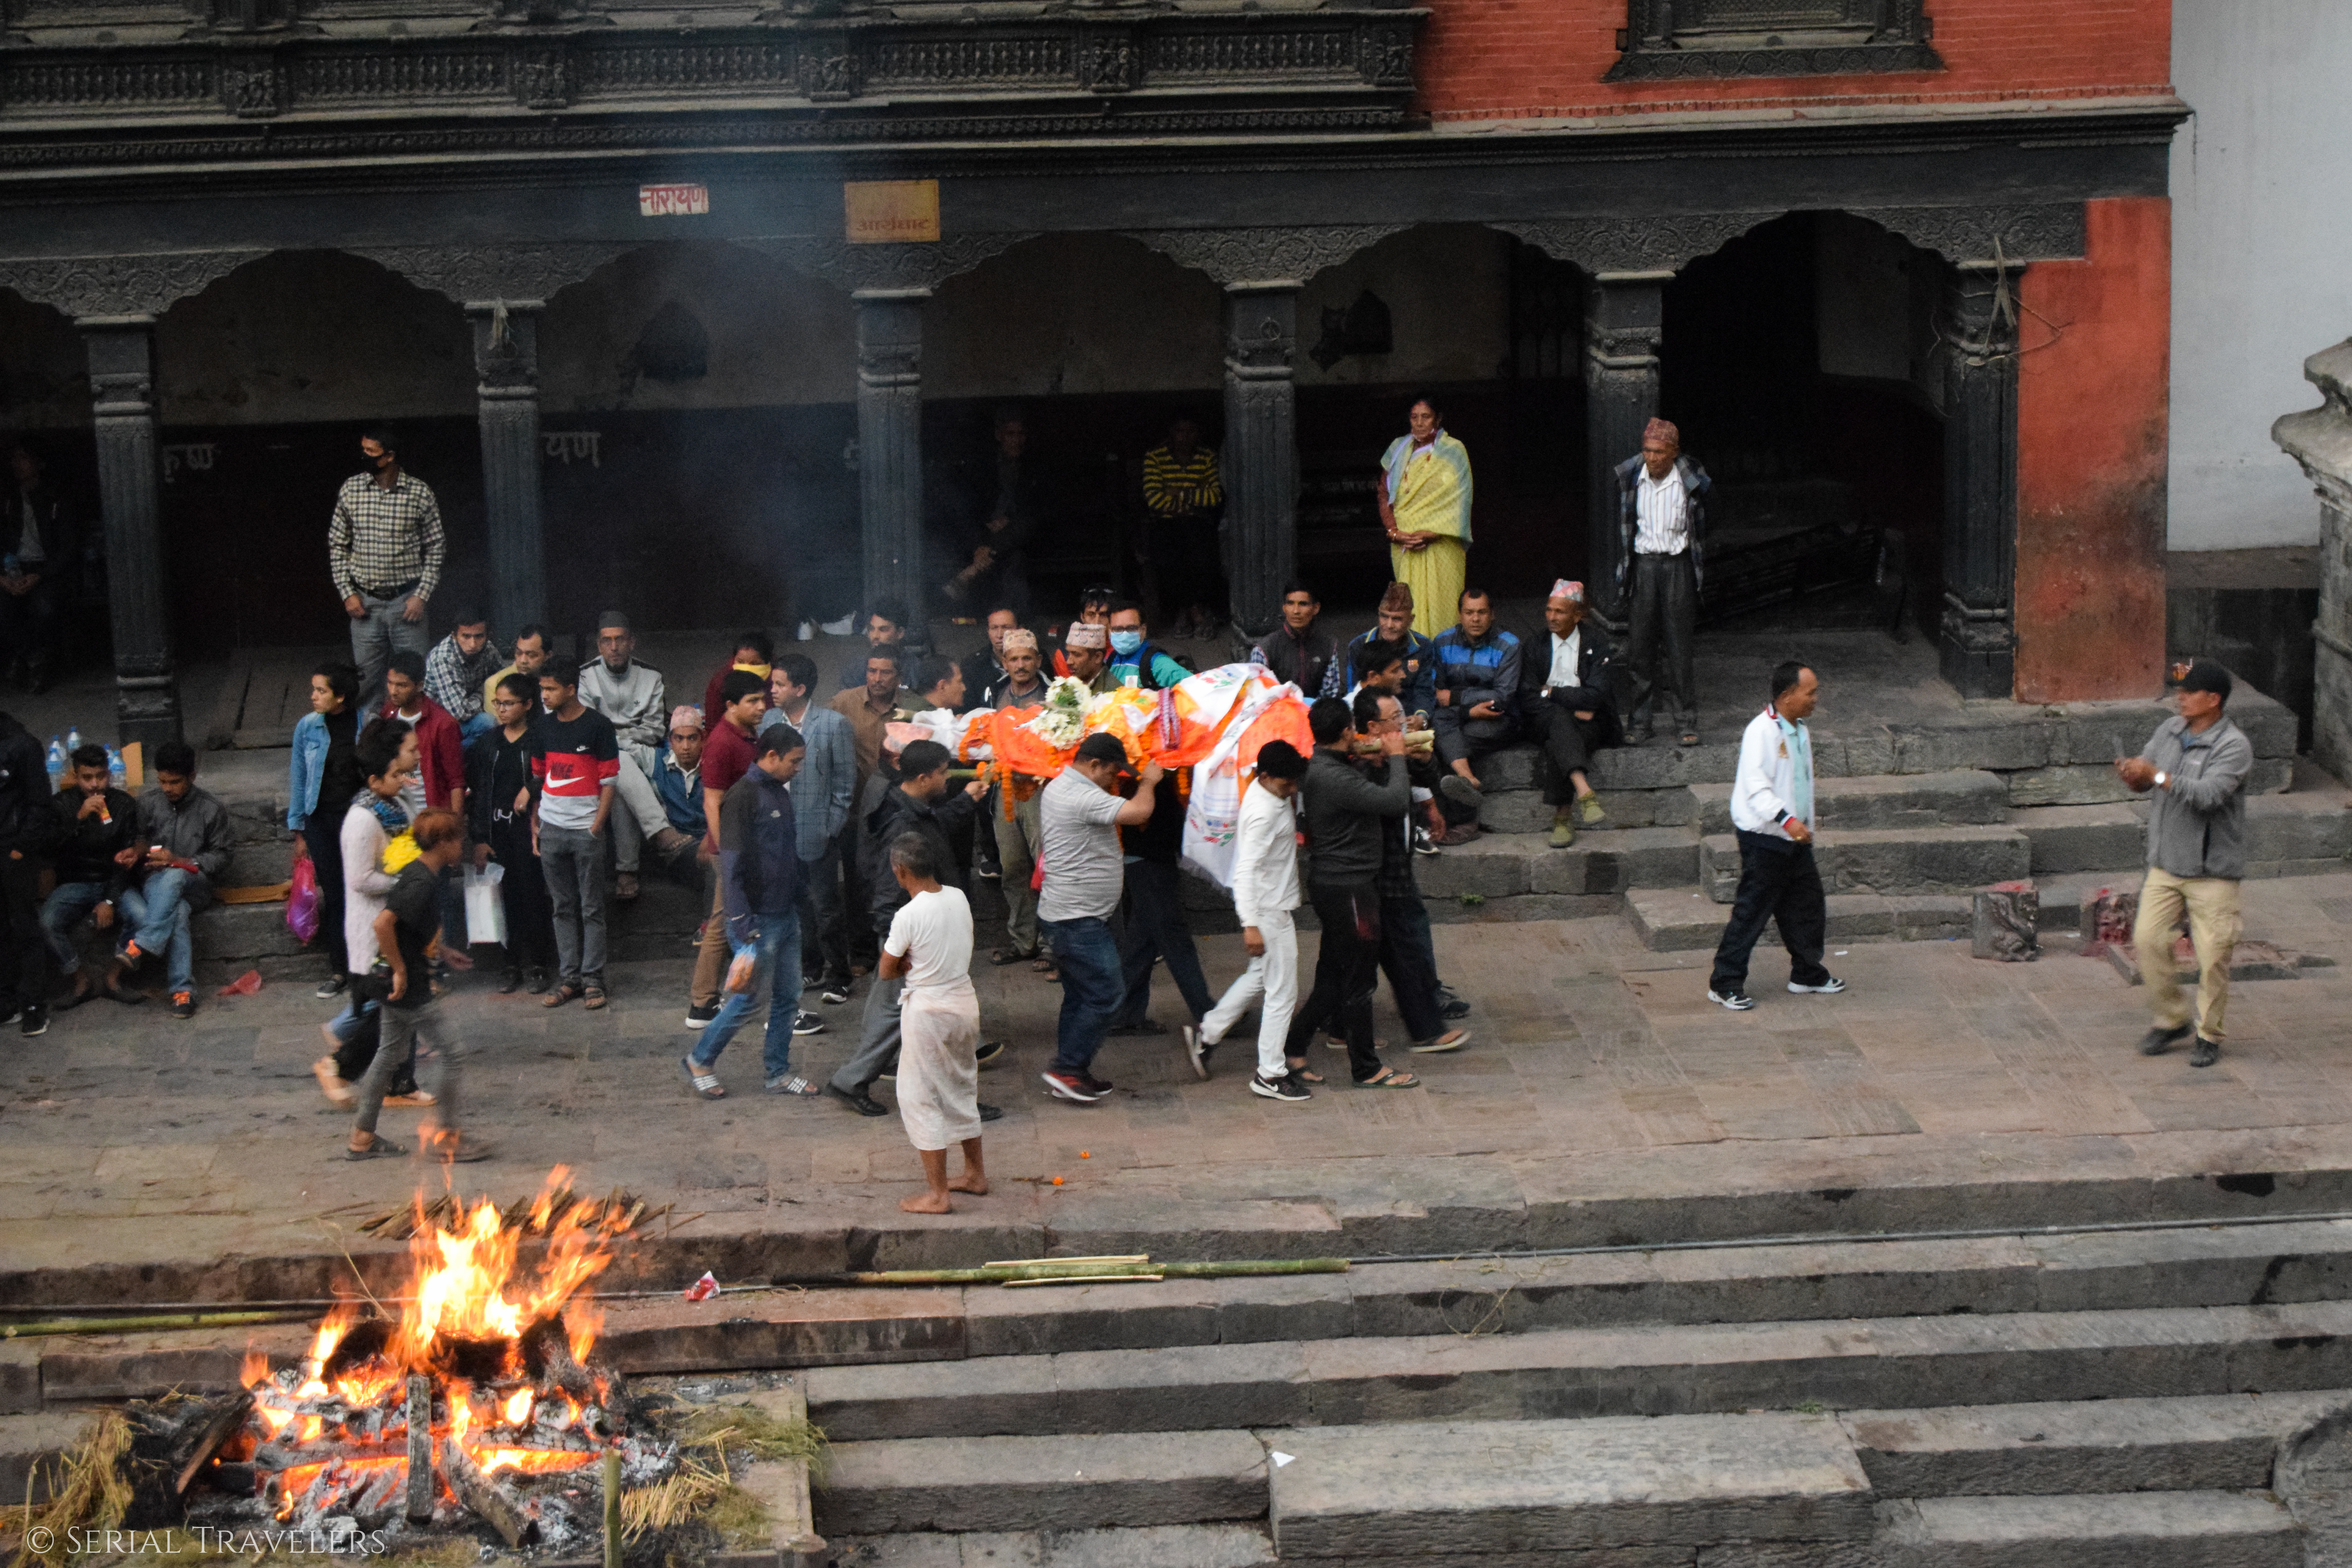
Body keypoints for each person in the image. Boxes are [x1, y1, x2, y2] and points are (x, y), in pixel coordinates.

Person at [827, 739, 988, 1117]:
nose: (947, 779)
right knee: (916, 1014)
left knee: (889, 1010)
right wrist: (896, 942)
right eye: (943, 773)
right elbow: (888, 886)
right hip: (912, 933)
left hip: (910, 931)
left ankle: (858, 1079)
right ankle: (853, 1080)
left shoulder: (911, 808)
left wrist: (967, 800)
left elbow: (937, 829)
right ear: (923, 777)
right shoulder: (900, 824)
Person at [2120, 659, 2254, 1069]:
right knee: (2147, 941)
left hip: (2212, 871)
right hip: (2166, 863)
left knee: (2213, 955)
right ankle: (2171, 1018)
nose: (2180, 697)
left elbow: (2209, 794)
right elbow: (2148, 775)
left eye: (2189, 691)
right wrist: (2135, 775)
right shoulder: (2170, 730)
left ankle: (2208, 1033)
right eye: (2179, 690)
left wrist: (2157, 776)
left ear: (2213, 700)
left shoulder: (2234, 746)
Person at [682, 725, 824, 1099]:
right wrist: (741, 921)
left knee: (789, 997)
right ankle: (700, 1058)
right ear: (772, 757)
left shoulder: (778, 792)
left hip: (786, 913)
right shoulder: (743, 797)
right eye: (794, 761)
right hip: (757, 920)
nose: (798, 768)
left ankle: (777, 1073)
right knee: (747, 1000)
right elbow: (731, 863)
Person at [1288, 699, 1419, 1089]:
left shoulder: (1324, 765)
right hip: (1350, 890)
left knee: (1332, 975)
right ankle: (1366, 1067)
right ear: (1347, 732)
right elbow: (1395, 802)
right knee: (1360, 980)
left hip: (1338, 885)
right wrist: (1397, 758)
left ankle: (1293, 1049)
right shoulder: (1333, 777)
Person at [347, 808, 484, 1163]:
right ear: (443, 843)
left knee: (387, 1056)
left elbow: (409, 929)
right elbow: (384, 925)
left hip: (395, 984)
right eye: (458, 840)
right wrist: (401, 971)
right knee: (453, 1055)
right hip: (409, 989)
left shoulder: (419, 873)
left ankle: (362, 1135)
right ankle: (448, 1137)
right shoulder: (422, 883)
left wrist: (443, 950)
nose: (462, 847)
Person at [1708, 661, 1842, 1012]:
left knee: (1808, 905)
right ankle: (1725, 982)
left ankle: (1808, 972)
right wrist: (1786, 819)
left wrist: (1803, 822)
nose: (1815, 699)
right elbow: (1756, 787)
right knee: (1752, 911)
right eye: (1809, 692)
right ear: (1787, 696)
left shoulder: (1799, 730)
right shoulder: (1761, 732)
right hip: (1766, 837)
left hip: (1796, 837)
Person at [1034, 733, 1161, 1103]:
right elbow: (1139, 813)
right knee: (1108, 993)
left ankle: (1071, 1071)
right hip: (1077, 920)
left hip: (1072, 916)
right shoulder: (1079, 795)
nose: (1114, 781)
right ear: (1093, 766)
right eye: (1111, 773)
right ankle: (1067, 1068)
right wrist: (1150, 782)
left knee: (1080, 996)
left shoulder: (1063, 787)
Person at [1185, 739, 1310, 1099]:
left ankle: (1208, 1033)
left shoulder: (1268, 794)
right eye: (1287, 784)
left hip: (1270, 906)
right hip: (1269, 911)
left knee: (1259, 977)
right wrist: (1250, 924)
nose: (1293, 790)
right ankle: (1270, 1073)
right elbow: (1245, 871)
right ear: (1267, 776)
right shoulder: (1263, 812)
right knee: (1282, 993)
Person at [1354, 689, 1471, 1056]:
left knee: (1384, 955)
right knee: (1383, 955)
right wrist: (1400, 760)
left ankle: (1346, 1028)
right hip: (1375, 876)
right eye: (1395, 720)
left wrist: (1418, 760)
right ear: (1373, 727)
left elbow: (1421, 781)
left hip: (1395, 872)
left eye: (1404, 717)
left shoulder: (1388, 757)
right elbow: (1391, 799)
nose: (1403, 725)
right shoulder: (1359, 766)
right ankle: (1422, 1029)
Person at [313, 720, 423, 1109]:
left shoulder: (399, 801)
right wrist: (404, 884)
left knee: (404, 1003)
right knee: (400, 1004)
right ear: (379, 774)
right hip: (377, 929)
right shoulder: (362, 819)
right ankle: (340, 1064)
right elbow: (360, 878)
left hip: (401, 922)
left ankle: (399, 1082)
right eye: (408, 752)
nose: (416, 756)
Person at [880, 833, 989, 1213]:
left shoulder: (908, 915)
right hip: (964, 1002)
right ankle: (975, 1174)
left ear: (901, 871)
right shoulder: (957, 896)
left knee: (920, 1097)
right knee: (961, 1087)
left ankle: (938, 1193)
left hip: (929, 1011)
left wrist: (908, 964)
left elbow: (886, 969)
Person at [764, 655, 856, 1020]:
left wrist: (831, 826)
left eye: (780, 684)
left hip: (817, 830)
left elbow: (845, 784)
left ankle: (840, 974)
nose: (772, 691)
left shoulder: (833, 725)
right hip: (779, 832)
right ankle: (811, 966)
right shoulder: (769, 722)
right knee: (796, 905)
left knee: (826, 907)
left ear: (800, 689)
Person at [114, 741, 233, 1019]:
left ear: (191, 777)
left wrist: (181, 861)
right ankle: (183, 993)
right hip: (157, 887)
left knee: (177, 874)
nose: (168, 788)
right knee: (176, 913)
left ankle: (143, 943)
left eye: (175, 782)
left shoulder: (211, 809)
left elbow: (224, 856)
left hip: (196, 885)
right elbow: (141, 839)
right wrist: (138, 851)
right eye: (163, 781)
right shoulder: (148, 803)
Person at [329, 428, 443, 710]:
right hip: (365, 604)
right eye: (364, 449)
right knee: (366, 683)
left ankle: (413, 745)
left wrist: (422, 595)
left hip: (407, 603)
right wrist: (347, 593)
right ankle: (370, 746)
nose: (364, 456)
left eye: (371, 452)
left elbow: (436, 547)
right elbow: (337, 545)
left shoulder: (419, 493)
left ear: (390, 456)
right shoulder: (351, 489)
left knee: (414, 679)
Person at [1616, 417, 1713, 748]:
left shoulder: (1691, 483)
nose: (1652, 458)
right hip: (1644, 566)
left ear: (1674, 452)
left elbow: (1706, 526)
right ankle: (1640, 722)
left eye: (1659, 452)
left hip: (1677, 567)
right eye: (1647, 451)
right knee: (1640, 649)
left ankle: (1686, 721)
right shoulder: (1632, 478)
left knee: (1679, 648)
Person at [532, 663, 619, 1010]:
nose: (545, 696)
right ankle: (570, 978)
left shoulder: (598, 726)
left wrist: (596, 827)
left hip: (586, 831)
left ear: (571, 688)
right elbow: (538, 778)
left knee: (592, 907)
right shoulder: (542, 727)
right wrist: (536, 826)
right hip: (552, 828)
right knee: (562, 907)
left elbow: (610, 781)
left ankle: (593, 978)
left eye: (551, 689)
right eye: (543, 690)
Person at [686, 671, 769, 1027]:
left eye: (763, 699)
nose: (762, 707)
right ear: (732, 706)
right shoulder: (721, 742)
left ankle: (703, 1005)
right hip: (735, 849)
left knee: (721, 923)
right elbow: (712, 802)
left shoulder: (748, 735)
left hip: (746, 844)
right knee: (737, 924)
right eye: (753, 702)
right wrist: (728, 853)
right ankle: (755, 1003)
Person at [467, 672, 555, 995]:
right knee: (503, 899)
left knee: (532, 895)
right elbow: (477, 793)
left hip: (528, 830)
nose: (502, 709)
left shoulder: (538, 739)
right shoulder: (487, 744)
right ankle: (510, 963)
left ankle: (539, 964)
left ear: (528, 704)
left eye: (509, 704)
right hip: (496, 829)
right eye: (498, 703)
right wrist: (479, 838)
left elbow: (549, 776)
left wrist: (531, 789)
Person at [577, 609, 669, 901]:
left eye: (619, 640)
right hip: (596, 758)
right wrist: (614, 746)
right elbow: (588, 732)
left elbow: (654, 730)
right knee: (616, 773)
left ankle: (628, 870)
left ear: (632, 642)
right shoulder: (585, 676)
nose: (613, 647)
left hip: (640, 753)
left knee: (618, 767)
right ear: (599, 645)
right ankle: (650, 843)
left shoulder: (651, 676)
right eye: (607, 641)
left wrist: (618, 743)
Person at [42, 743, 142, 1009]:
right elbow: (49, 850)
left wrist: (109, 901)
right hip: (75, 883)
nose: (95, 785)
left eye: (101, 777)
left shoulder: (123, 804)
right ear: (76, 777)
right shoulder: (61, 805)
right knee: (47, 922)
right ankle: (80, 979)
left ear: (109, 774)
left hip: (114, 883)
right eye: (88, 778)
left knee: (145, 919)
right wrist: (79, 819)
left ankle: (114, 974)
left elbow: (127, 859)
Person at [288, 661, 366, 1000]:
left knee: (363, 892)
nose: (314, 696)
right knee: (335, 895)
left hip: (358, 822)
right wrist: (299, 830)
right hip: (321, 821)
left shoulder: (368, 725)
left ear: (341, 697)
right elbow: (299, 777)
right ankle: (340, 969)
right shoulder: (308, 728)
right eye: (315, 689)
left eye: (322, 691)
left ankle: (368, 966)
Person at [1522, 580, 1619, 849]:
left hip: (1588, 722)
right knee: (1559, 721)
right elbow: (1529, 696)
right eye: (1549, 610)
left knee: (1559, 741)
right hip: (1544, 718)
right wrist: (1571, 704)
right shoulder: (1535, 645)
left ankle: (1563, 818)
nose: (1551, 617)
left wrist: (1552, 692)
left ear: (1578, 616)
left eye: (1560, 612)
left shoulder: (1597, 644)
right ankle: (1584, 791)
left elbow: (1597, 694)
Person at [1428, 588, 1521, 839]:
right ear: (1460, 614)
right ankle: (1467, 781)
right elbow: (1436, 693)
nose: (1475, 619)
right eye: (1469, 612)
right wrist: (1469, 708)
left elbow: (1502, 697)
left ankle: (1463, 823)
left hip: (1497, 718)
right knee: (1442, 726)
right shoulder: (1442, 642)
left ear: (1492, 614)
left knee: (1451, 745)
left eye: (1482, 612)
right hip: (1458, 715)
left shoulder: (1509, 645)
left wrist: (1457, 698)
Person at [1377, 397, 1474, 640]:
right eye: (1414, 417)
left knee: (1445, 603)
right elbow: (1384, 492)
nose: (1419, 423)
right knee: (1410, 604)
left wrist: (1435, 532)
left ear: (1438, 419)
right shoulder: (1399, 448)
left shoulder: (1454, 451)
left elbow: (1461, 498)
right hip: (1405, 544)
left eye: (1426, 417)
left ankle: (1445, 660)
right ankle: (1414, 661)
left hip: (1442, 542)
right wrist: (1395, 533)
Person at [984, 629, 1051, 968]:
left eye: (1028, 658)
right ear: (1004, 662)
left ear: (1038, 661)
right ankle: (1024, 941)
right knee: (1013, 868)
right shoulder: (994, 694)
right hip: (1006, 791)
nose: (1021, 665)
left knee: (1047, 867)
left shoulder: (1055, 694)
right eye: (1014, 659)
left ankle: (1053, 945)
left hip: (1042, 792)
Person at [939, 409, 1041, 615]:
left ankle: (974, 572)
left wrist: (1010, 520)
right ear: (999, 435)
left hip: (1022, 535)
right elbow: (968, 509)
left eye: (1021, 434)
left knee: (1024, 531)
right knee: (1012, 557)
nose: (1017, 441)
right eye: (1011, 434)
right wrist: (980, 544)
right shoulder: (983, 467)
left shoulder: (1034, 466)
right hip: (989, 535)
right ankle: (1005, 617)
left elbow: (1037, 507)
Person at [1, 439, 80, 692]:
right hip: (13, 569)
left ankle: (33, 660)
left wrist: (40, 575)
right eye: (14, 458)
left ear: (38, 463)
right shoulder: (7, 500)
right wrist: (3, 578)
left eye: (23, 457)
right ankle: (28, 657)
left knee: (44, 609)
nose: (17, 464)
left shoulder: (55, 499)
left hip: (46, 570)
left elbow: (68, 548)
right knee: (5, 611)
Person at [1140, 416, 1225, 638]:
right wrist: (1194, 497)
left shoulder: (1206, 457)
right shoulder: (1155, 457)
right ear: (1171, 432)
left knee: (1203, 555)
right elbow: (1155, 500)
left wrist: (1178, 493)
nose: (1185, 437)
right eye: (1180, 431)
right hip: (1166, 524)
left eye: (1191, 431)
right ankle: (1194, 613)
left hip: (1198, 522)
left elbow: (1214, 496)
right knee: (1171, 555)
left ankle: (1187, 612)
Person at [0, 704, 52, 1036]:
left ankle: (33, 1003)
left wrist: (22, 848)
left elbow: (39, 803)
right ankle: (6, 1001)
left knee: (23, 924)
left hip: (13, 848)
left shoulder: (21, 745)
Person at [380, 650, 465, 818]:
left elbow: (456, 781)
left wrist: (454, 826)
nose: (393, 691)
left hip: (429, 816)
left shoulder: (443, 724)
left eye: (402, 685)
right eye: (390, 683)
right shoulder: (388, 713)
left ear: (419, 686)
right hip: (397, 814)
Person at [1345, 582, 1438, 722]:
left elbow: (1425, 689)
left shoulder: (1424, 646)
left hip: (1411, 716)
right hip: (1372, 717)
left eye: (1397, 619)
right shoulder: (1359, 646)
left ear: (1411, 620)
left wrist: (1421, 718)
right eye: (1384, 617)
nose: (1389, 625)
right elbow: (1355, 689)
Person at [1249, 583, 1343, 699]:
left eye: (1303, 604)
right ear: (1284, 608)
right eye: (1290, 604)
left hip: (1316, 713)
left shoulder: (1328, 646)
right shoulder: (1265, 649)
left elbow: (1330, 694)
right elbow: (1259, 694)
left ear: (1316, 608)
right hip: (1276, 712)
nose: (1296, 611)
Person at [423, 608, 501, 748]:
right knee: (488, 723)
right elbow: (461, 713)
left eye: (479, 637)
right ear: (454, 636)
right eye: (466, 637)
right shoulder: (443, 659)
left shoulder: (488, 649)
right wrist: (485, 690)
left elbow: (503, 679)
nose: (473, 644)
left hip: (469, 714)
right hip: (439, 722)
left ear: (487, 636)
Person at [1105, 601, 1191, 691]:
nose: (1125, 634)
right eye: (1118, 629)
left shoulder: (1158, 663)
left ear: (1143, 630)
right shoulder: (1110, 660)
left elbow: (1197, 688)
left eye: (1131, 628)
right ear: (1110, 631)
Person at [837, 604, 915, 692]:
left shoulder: (917, 672)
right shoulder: (854, 670)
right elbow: (844, 703)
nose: (875, 636)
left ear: (900, 633)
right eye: (871, 629)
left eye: (883, 630)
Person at [704, 630, 775, 721]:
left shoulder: (777, 680)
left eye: (755, 664)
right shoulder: (720, 683)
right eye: (741, 662)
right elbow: (713, 722)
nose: (746, 668)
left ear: (768, 663)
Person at [960, 607, 1022, 712]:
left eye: (1006, 628)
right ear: (988, 631)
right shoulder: (972, 665)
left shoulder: (1036, 658)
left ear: (1019, 629)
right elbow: (967, 710)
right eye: (994, 628)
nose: (1000, 635)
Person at [483, 623, 551, 714]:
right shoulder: (495, 683)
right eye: (519, 653)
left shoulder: (557, 682)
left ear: (548, 656)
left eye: (531, 655)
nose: (523, 661)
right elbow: (499, 725)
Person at [1061, 622, 1116, 696]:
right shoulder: (1070, 686)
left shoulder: (1113, 693)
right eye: (1069, 654)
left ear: (1098, 657)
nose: (1069, 662)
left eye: (1077, 655)